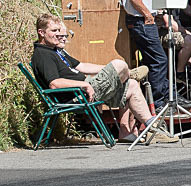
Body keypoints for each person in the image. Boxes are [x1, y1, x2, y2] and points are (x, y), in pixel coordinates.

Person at [31, 14, 175, 143]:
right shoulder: (43, 55)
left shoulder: (56, 51)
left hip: (85, 90)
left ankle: (153, 128)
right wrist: (84, 85)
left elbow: (81, 66)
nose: (58, 34)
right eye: (54, 31)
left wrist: (107, 69)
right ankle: (129, 73)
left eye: (58, 31)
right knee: (119, 64)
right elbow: (54, 84)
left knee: (131, 84)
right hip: (78, 95)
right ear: (41, 33)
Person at [123, 0, 188, 110]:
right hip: (141, 22)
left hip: (143, 20)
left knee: (156, 60)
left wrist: (155, 13)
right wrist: (147, 15)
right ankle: (160, 102)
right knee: (159, 61)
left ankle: (168, 96)